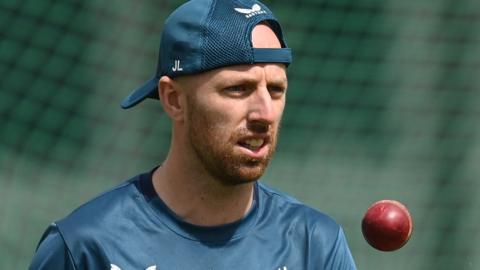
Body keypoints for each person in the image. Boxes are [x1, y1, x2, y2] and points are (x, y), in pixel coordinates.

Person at [30, 0, 357, 269]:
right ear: (174, 99)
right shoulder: (85, 247)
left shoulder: (314, 244)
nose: (265, 113)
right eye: (238, 89)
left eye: (276, 90)